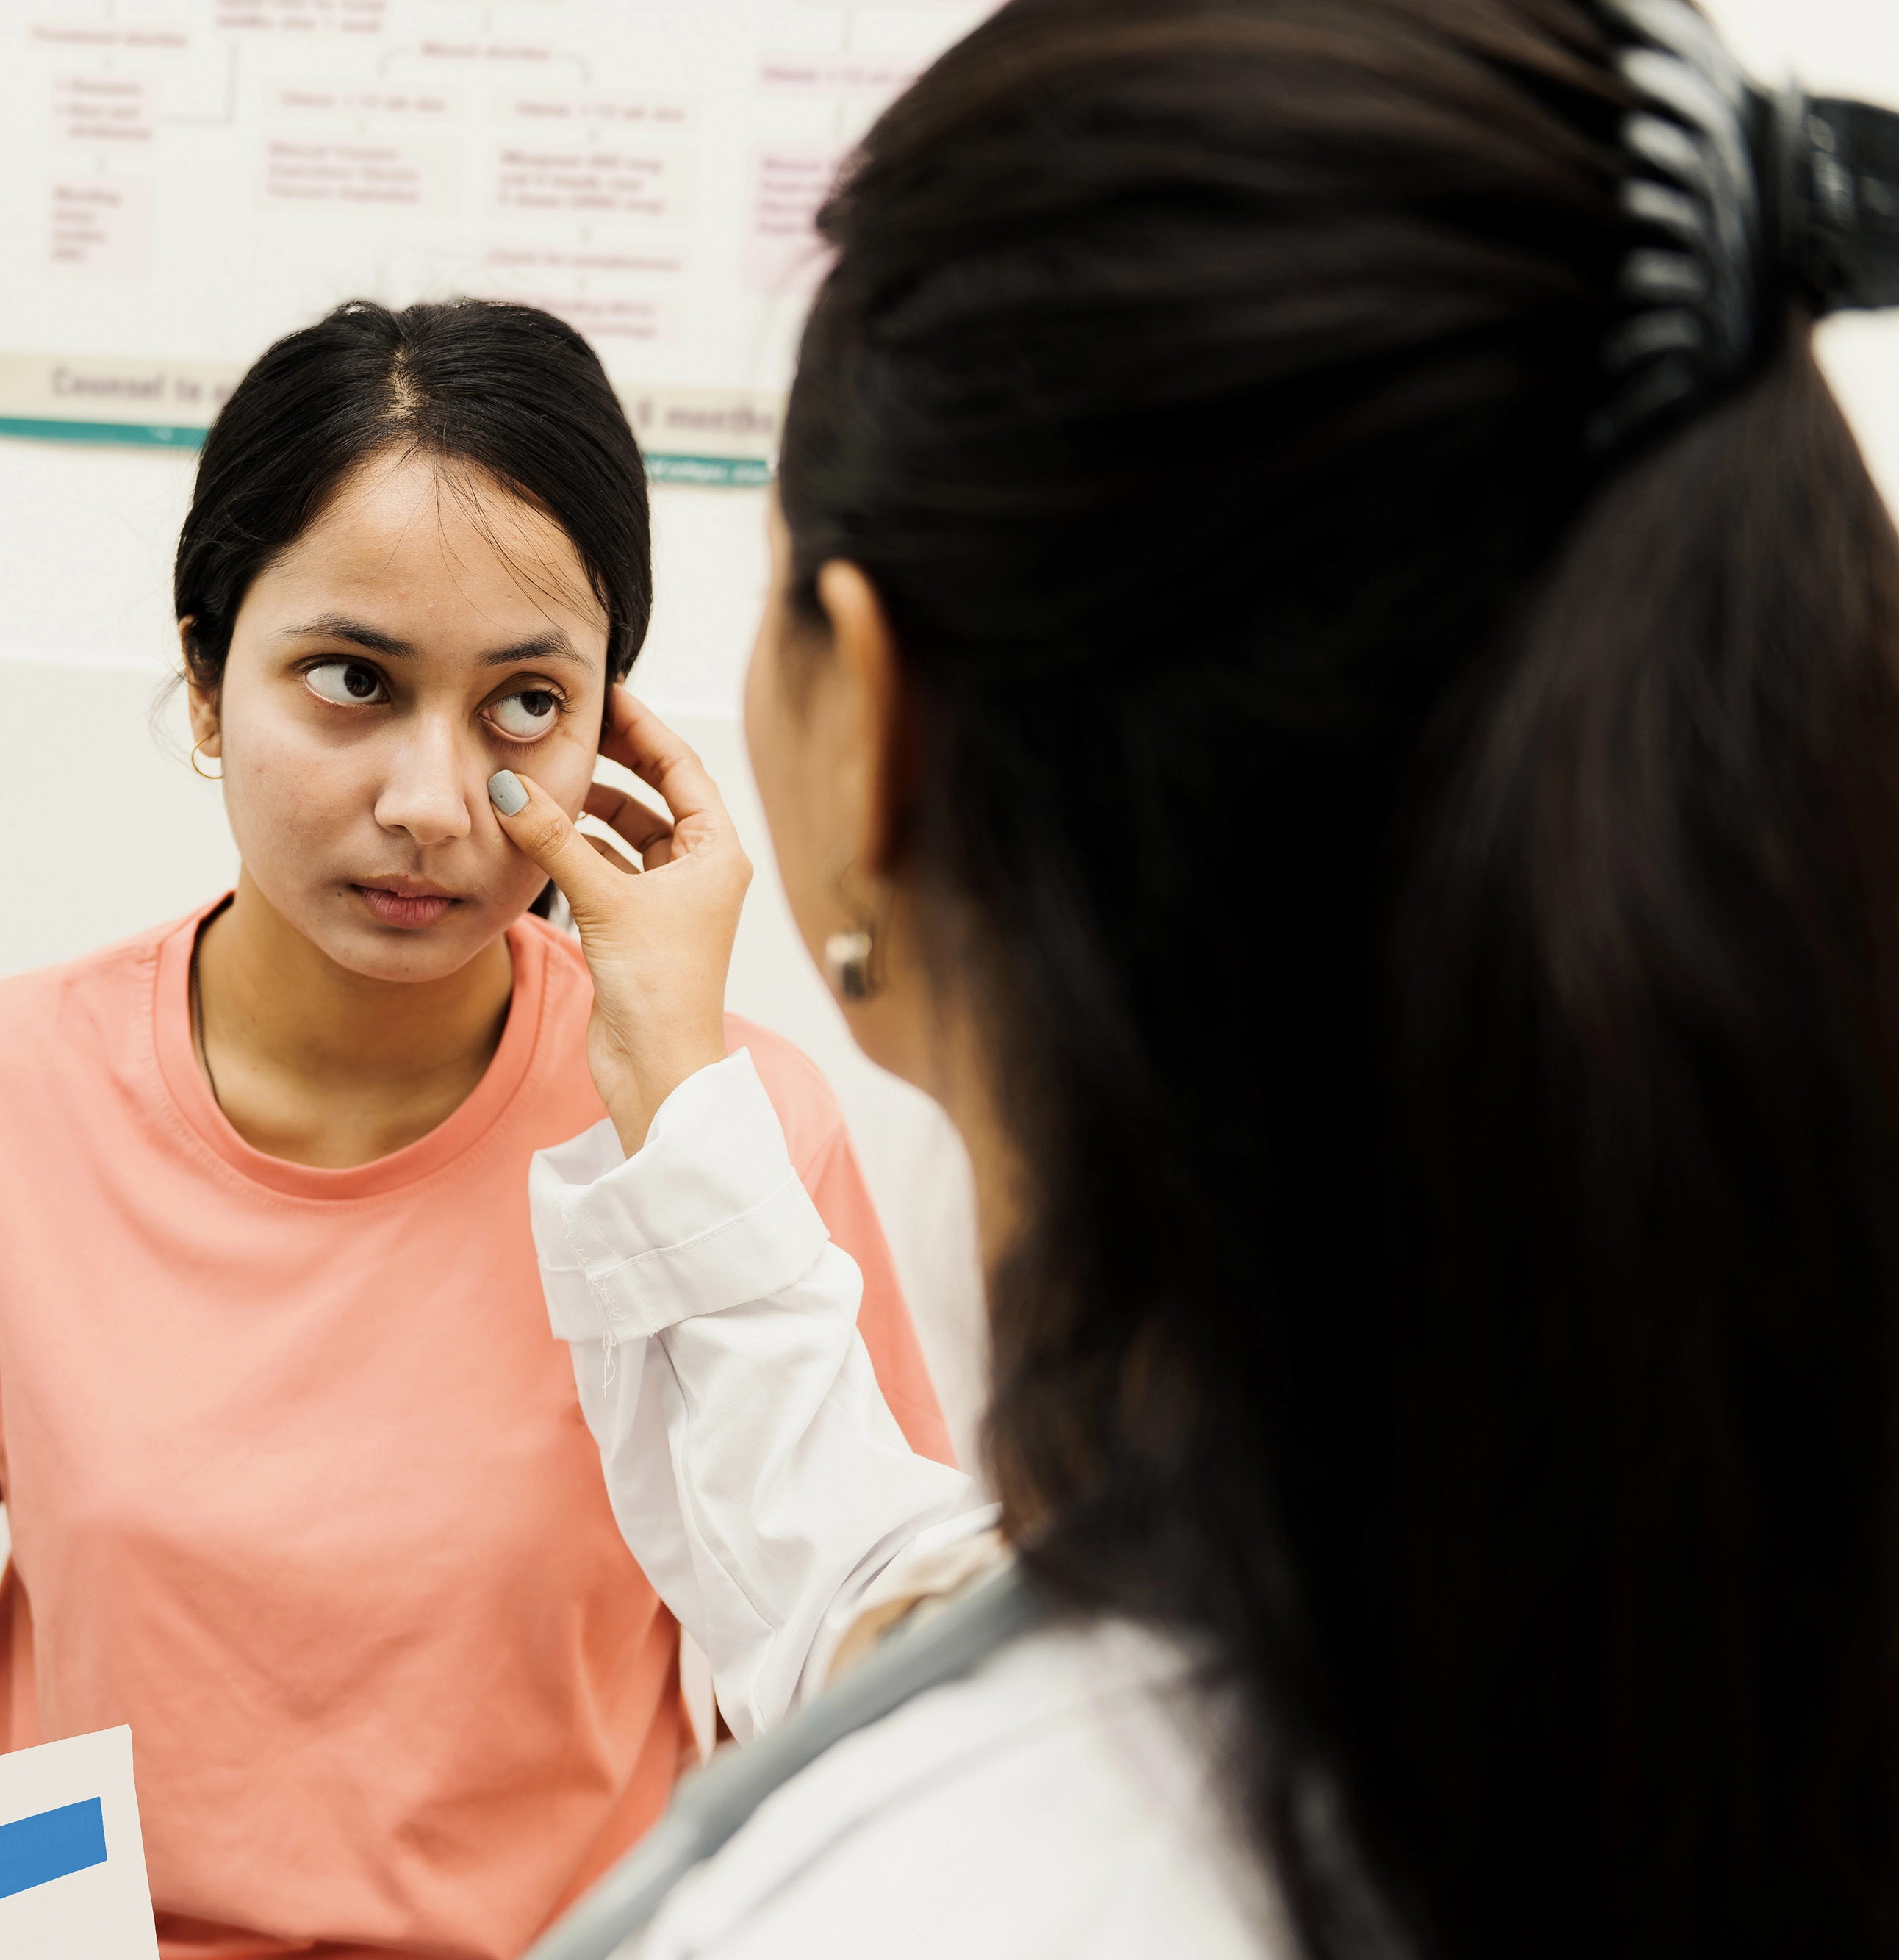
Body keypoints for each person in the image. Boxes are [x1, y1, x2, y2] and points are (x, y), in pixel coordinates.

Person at [484, 0, 1899, 1953]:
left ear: (870, 721)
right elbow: (953, 1618)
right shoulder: (1700, 1631)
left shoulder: (872, 1908)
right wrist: (670, 1073)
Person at [0, 298, 958, 1960]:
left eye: (524, 703)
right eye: (351, 680)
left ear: (613, 732)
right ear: (207, 677)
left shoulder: (725, 1142)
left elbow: (841, 1694)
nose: (433, 805)